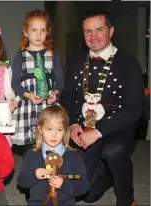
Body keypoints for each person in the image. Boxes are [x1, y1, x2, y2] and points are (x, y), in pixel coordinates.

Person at [61, 10, 143, 206]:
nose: (93, 36)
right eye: (87, 31)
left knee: (113, 151)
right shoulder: (76, 61)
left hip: (116, 130)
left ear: (111, 30)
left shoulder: (128, 63)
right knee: (87, 195)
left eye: (99, 29)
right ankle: (108, 173)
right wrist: (72, 124)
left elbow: (134, 109)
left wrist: (97, 132)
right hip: (83, 128)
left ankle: (127, 198)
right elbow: (68, 99)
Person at [11, 10, 64, 156]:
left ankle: (50, 173)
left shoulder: (53, 55)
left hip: (48, 106)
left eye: (42, 30)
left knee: (50, 145)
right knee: (31, 148)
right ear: (26, 32)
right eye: (34, 30)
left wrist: (55, 93)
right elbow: (15, 83)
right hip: (28, 105)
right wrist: (27, 95)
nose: (38, 34)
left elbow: (59, 82)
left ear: (47, 32)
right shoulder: (20, 56)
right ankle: (32, 174)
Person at [17, 104, 90, 205]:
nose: (54, 135)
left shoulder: (73, 156)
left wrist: (64, 184)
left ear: (65, 131)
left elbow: (84, 186)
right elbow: (21, 181)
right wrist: (34, 175)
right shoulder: (31, 155)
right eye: (49, 129)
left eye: (59, 130)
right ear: (40, 129)